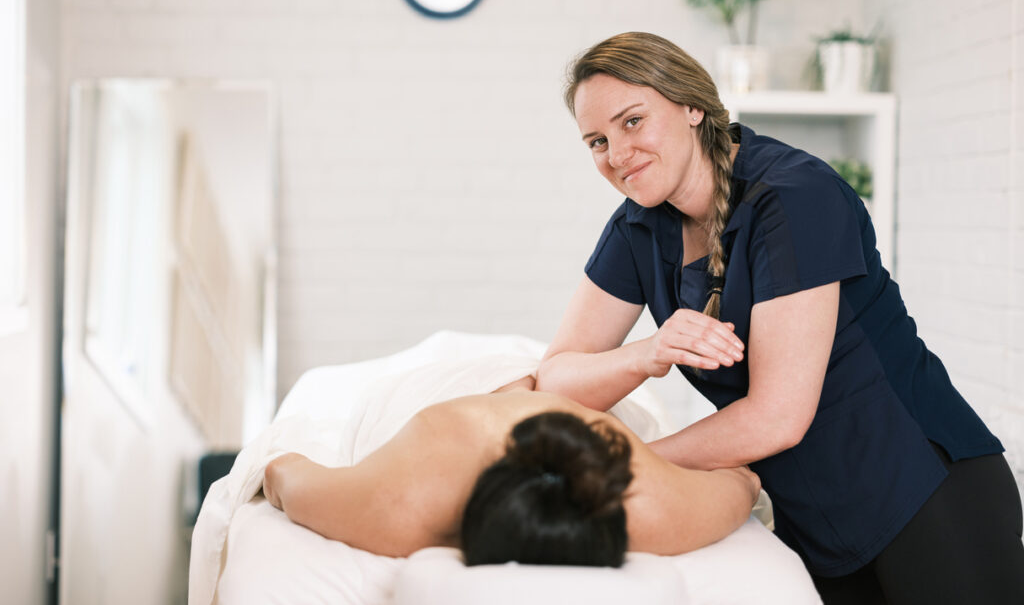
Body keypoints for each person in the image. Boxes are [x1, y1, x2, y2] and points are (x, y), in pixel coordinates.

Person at [537, 31, 1024, 604]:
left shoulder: (795, 197)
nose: (617, 155)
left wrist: (618, 467)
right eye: (596, 140)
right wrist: (647, 354)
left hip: (923, 491)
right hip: (815, 517)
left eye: (633, 121)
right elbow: (558, 377)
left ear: (692, 105)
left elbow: (776, 419)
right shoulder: (638, 227)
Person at [262, 376, 760, 565]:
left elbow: (744, 480)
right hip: (449, 386)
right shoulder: (401, 505)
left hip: (557, 398)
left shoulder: (649, 504)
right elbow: (281, 472)